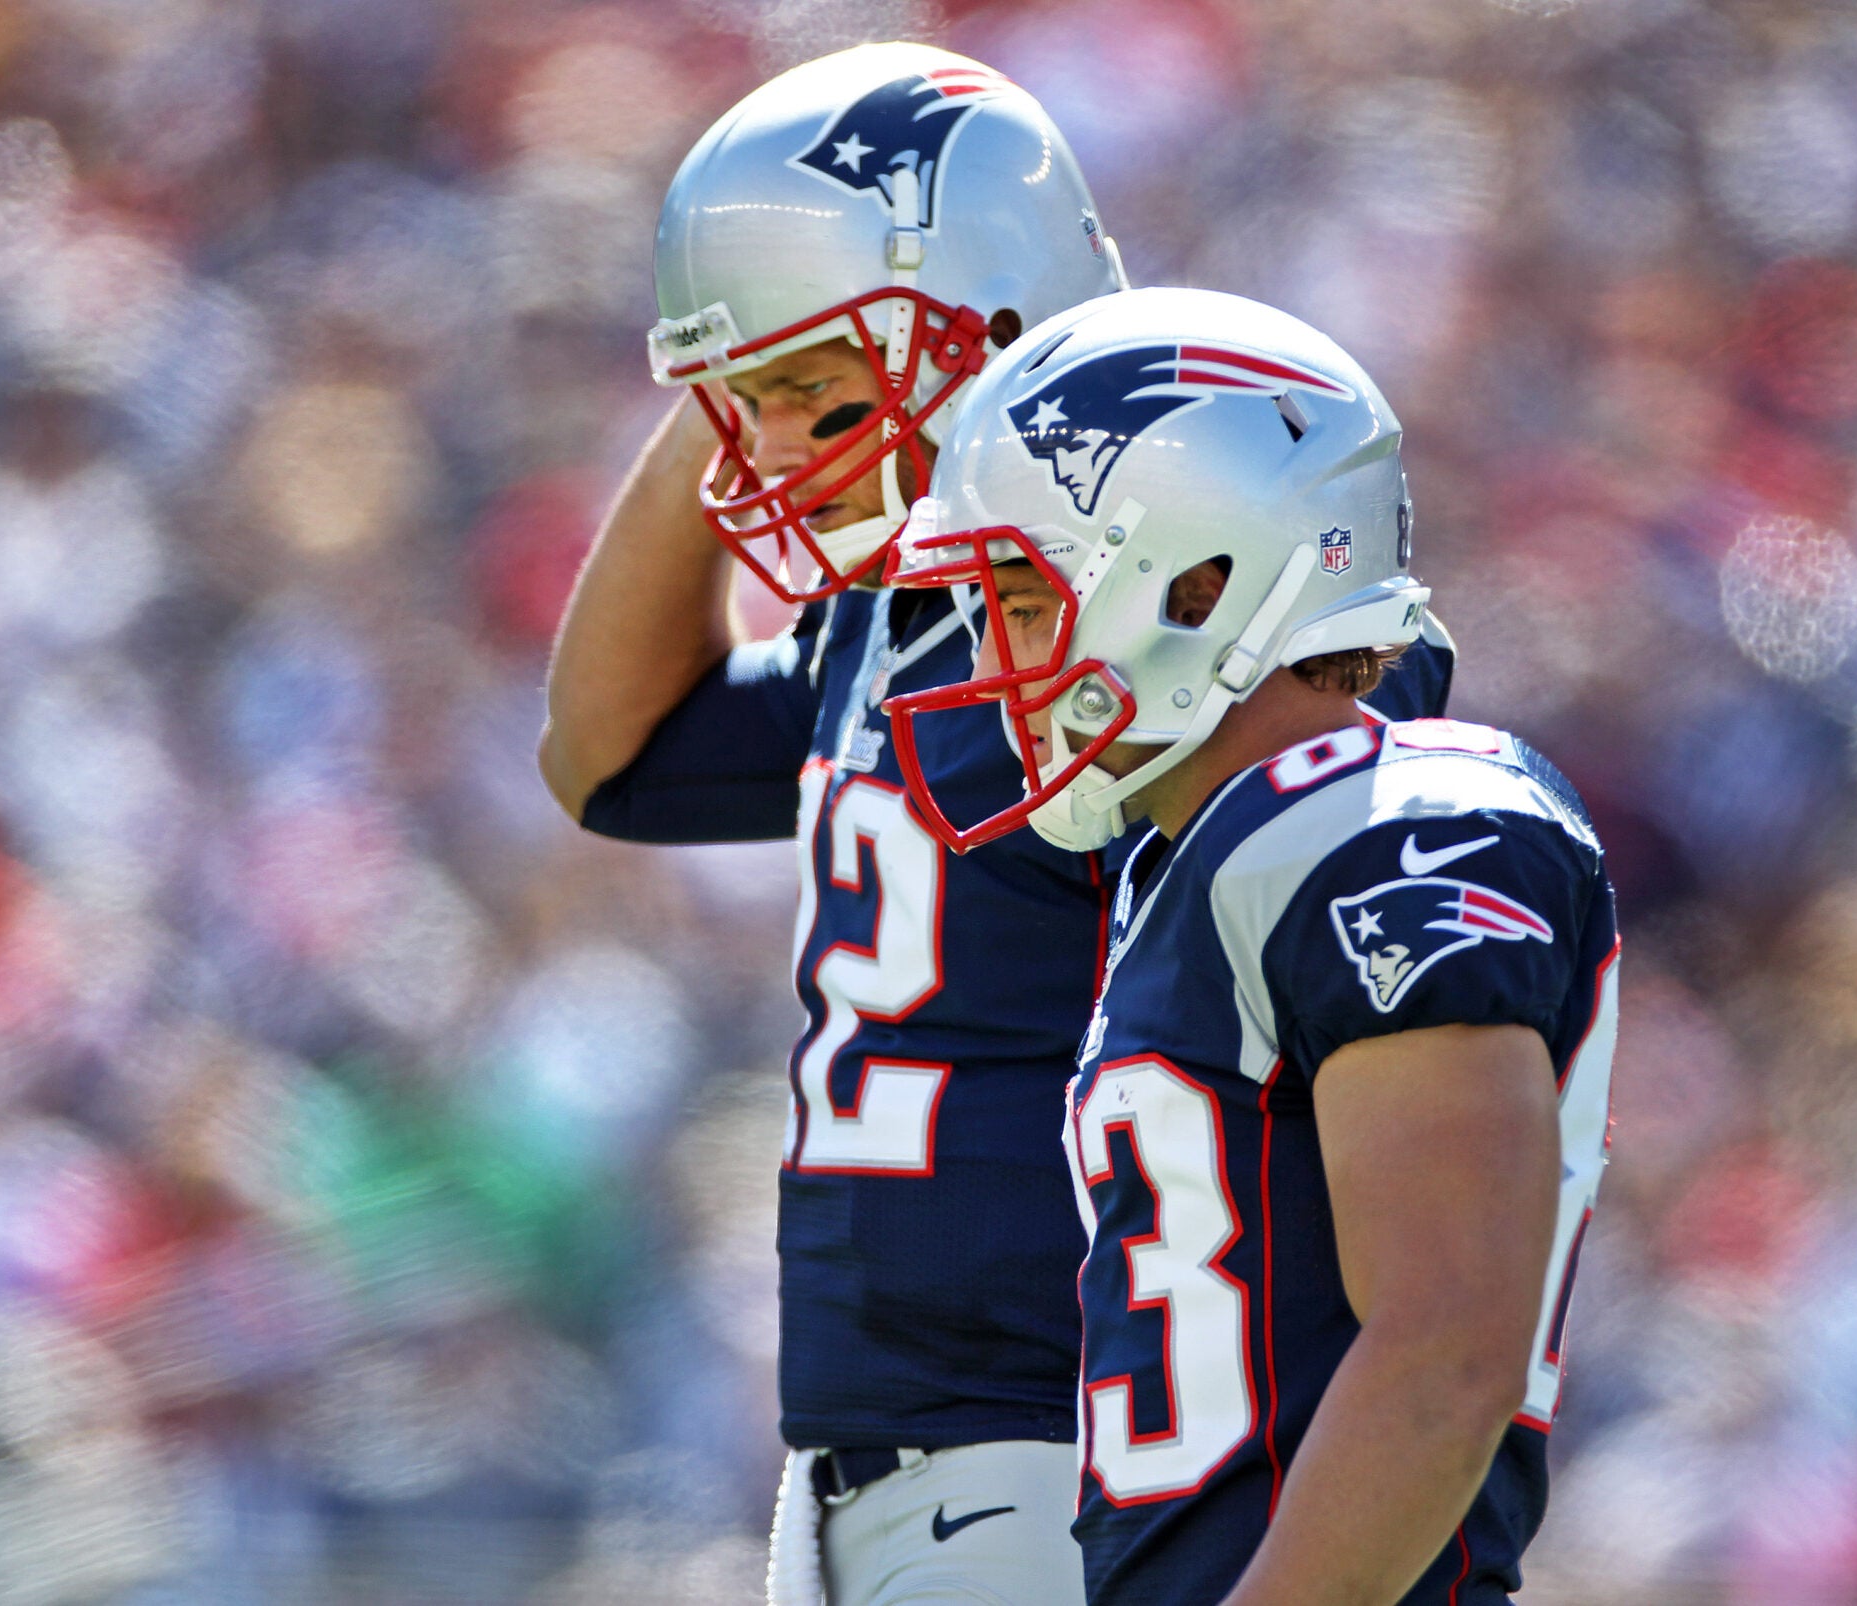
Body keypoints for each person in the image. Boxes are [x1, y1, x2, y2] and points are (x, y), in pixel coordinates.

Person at [540, 42, 1451, 1606]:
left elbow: (1347, 770)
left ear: (1000, 323)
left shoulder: (1183, 628)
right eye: (745, 402)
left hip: (1069, 1423)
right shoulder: (895, 627)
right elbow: (604, 754)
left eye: (809, 392)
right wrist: (729, 379)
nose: (765, 451)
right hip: (866, 1443)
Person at [882, 286, 1616, 1606]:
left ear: (1202, 583)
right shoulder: (1207, 860)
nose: (997, 655)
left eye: (1026, 599)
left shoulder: (1395, 823)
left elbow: (1447, 1348)